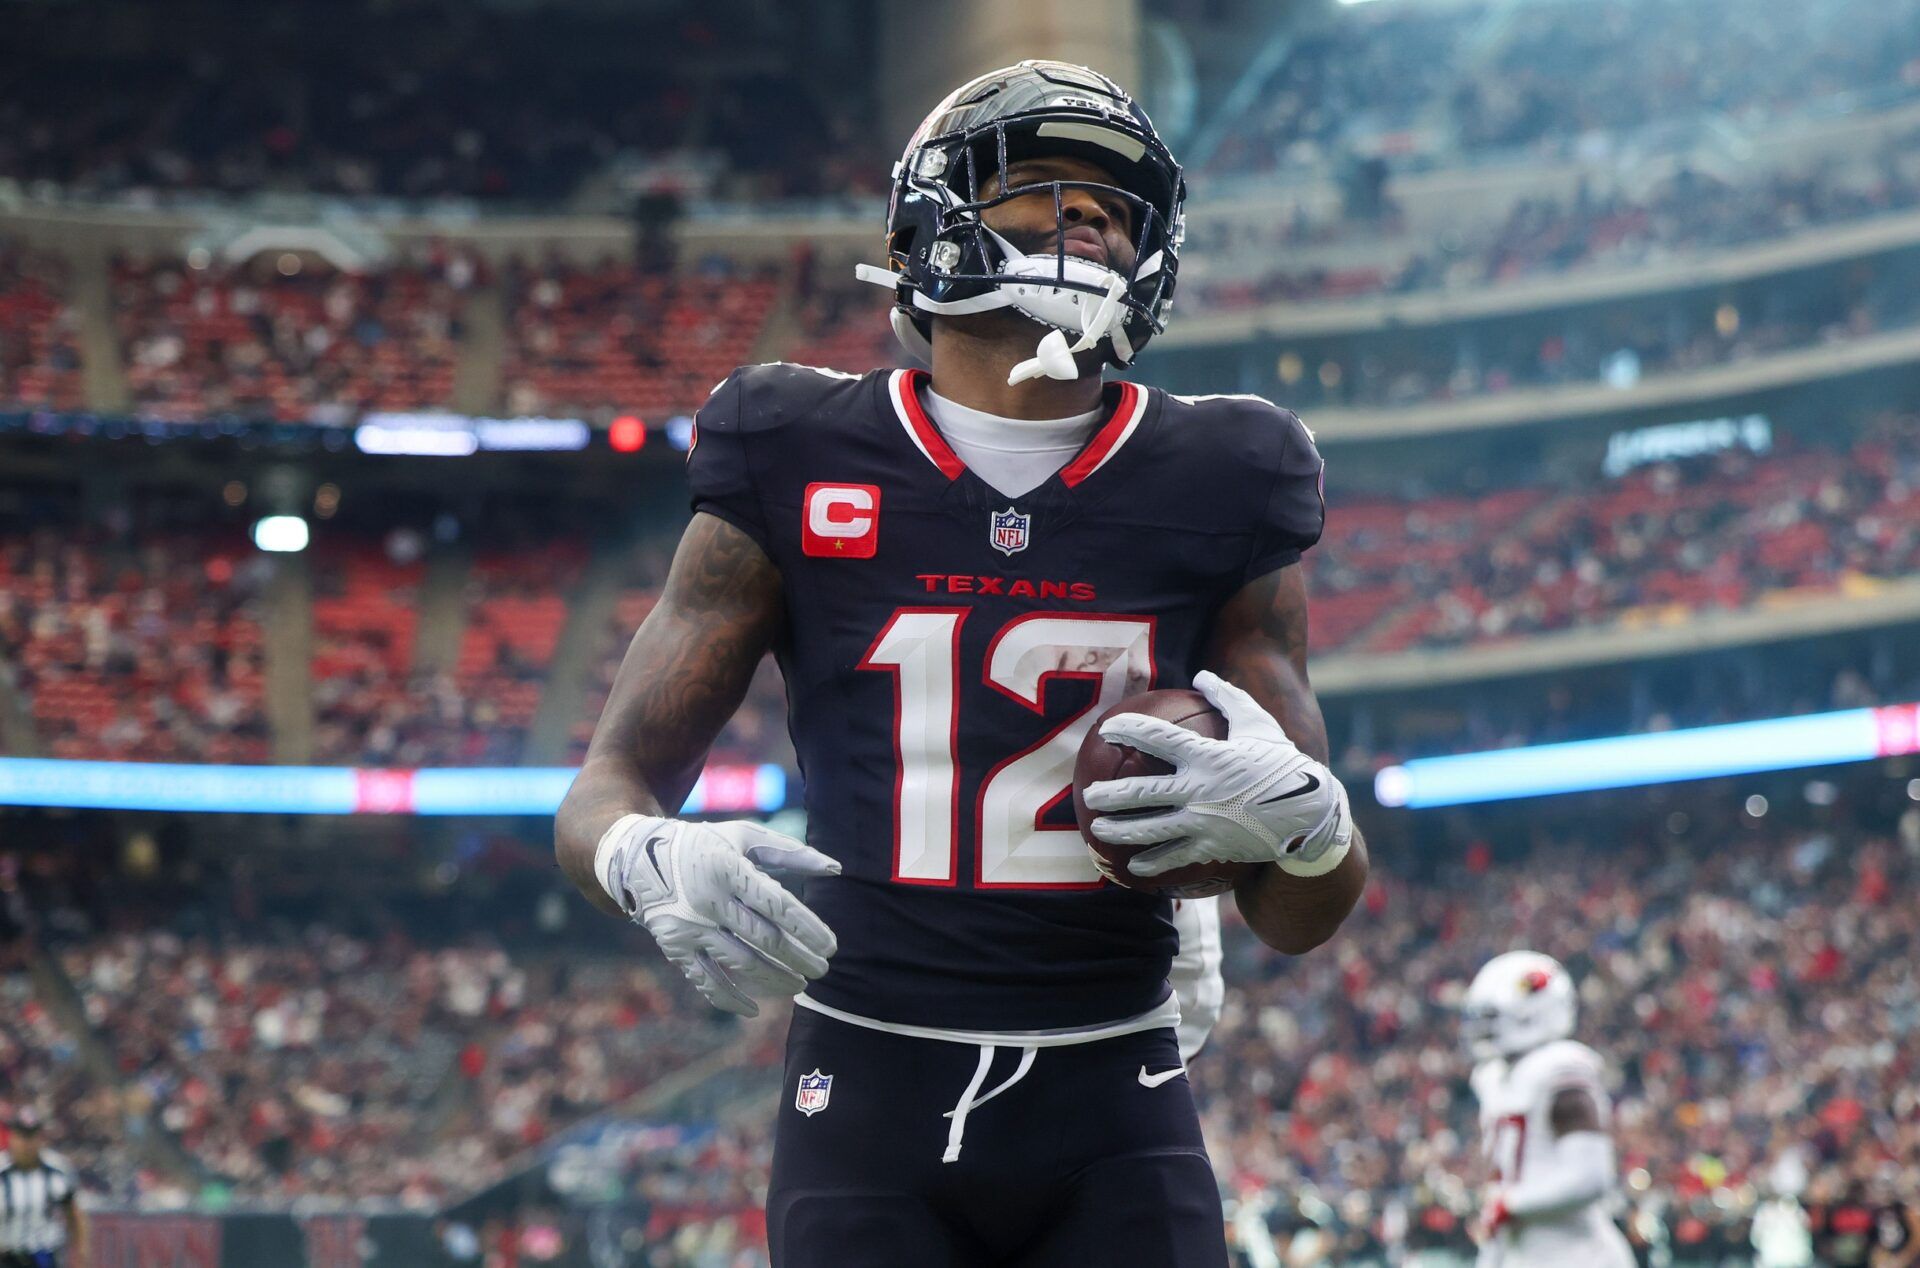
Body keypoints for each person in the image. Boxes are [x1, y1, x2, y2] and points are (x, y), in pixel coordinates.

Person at [556, 59, 1367, 1266]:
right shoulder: (792, 444)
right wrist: (642, 852)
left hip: (1116, 1088)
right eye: (1047, 185)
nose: (1090, 218)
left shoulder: (1225, 472)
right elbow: (603, 789)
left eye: (1113, 202)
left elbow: (1310, 909)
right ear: (931, 221)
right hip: (864, 1084)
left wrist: (1307, 826)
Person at [1462, 951, 1634, 1268]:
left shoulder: (1560, 1069)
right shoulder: (1496, 1079)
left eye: (1494, 1019)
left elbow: (1591, 1177)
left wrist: (1511, 1204)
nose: (1484, 1032)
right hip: (1526, 1253)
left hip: (1578, 1256)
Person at [0, 1110, 85, 1268]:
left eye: (31, 1137)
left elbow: (73, 1213)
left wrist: (80, 1253)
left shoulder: (58, 1168)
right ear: (11, 1137)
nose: (26, 1144)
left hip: (44, 1255)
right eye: (21, 1136)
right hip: (6, 1256)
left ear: (40, 1138)